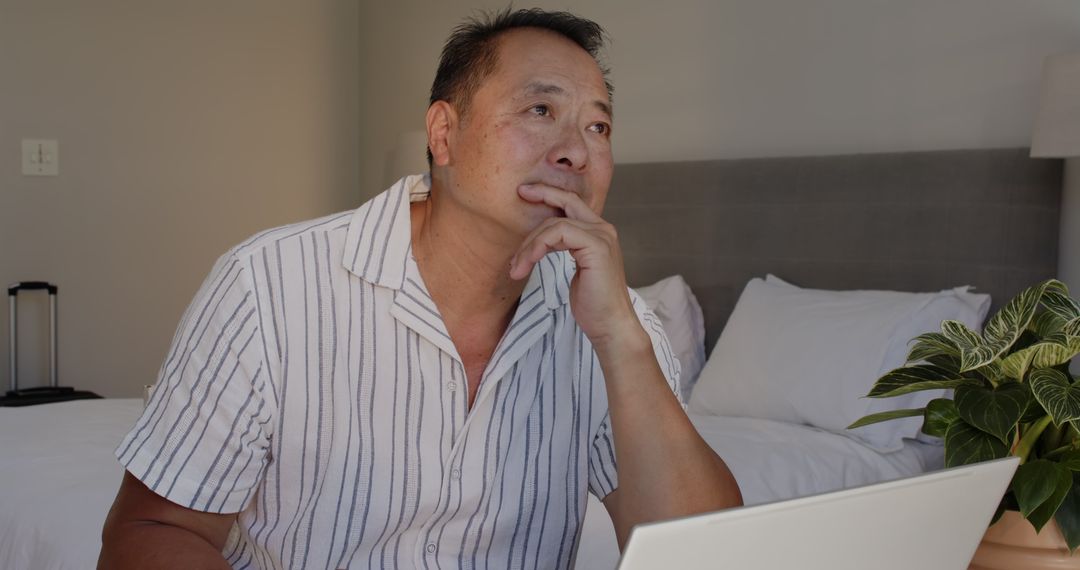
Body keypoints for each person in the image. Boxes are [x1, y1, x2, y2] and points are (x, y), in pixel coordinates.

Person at [98, 8, 741, 569]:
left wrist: (621, 339)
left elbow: (707, 554)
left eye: (598, 127)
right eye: (540, 109)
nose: (576, 150)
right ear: (443, 135)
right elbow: (152, 531)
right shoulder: (269, 284)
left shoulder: (614, 325)